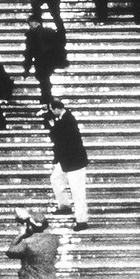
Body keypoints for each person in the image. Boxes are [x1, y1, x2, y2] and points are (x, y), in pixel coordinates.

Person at [42, 99, 89, 231]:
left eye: (52, 110)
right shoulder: (64, 118)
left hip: (75, 162)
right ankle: (64, 206)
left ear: (57, 109)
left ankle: (82, 220)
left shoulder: (67, 120)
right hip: (66, 160)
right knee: (55, 178)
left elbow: (57, 137)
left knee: (77, 191)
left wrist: (51, 124)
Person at [23, 15, 66, 104]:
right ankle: (46, 96)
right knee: (44, 78)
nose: (30, 26)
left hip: (42, 60)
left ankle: (46, 96)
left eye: (30, 24)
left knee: (43, 78)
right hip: (49, 59)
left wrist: (27, 68)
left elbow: (29, 52)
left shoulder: (32, 35)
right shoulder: (48, 32)